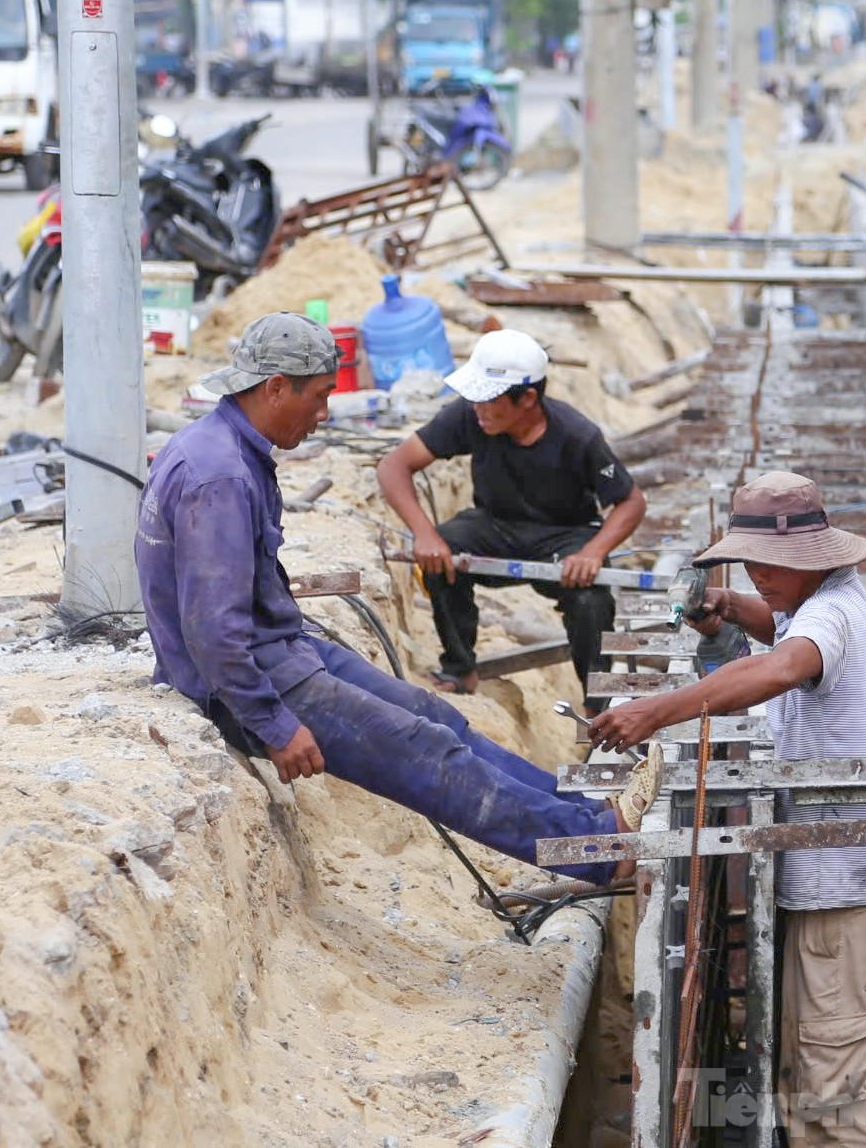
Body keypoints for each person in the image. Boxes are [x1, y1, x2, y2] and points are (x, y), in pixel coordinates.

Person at [135, 313, 660, 885]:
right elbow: (212, 630)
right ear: (275, 387)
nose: (323, 415)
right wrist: (273, 723)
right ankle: (598, 850)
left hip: (280, 648)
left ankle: (592, 816)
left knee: (435, 717)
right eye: (317, 398)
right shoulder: (221, 477)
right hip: (243, 683)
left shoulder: (231, 450)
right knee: (422, 751)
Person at [586, 472, 866, 1148]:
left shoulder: (829, 614)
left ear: (808, 559)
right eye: (749, 566)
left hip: (845, 901)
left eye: (767, 567)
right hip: (838, 894)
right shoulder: (822, 600)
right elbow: (782, 625)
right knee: (814, 1086)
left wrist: (652, 710)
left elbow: (777, 667)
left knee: (835, 1109)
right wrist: (730, 607)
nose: (757, 577)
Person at [376, 330, 646, 702]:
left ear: (528, 399)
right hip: (496, 526)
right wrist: (424, 534)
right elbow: (394, 467)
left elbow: (631, 502)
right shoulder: (471, 416)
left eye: (488, 399)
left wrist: (594, 552)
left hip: (564, 535)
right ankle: (459, 669)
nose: (478, 408)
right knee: (441, 552)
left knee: (591, 602)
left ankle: (598, 708)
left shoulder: (577, 435)